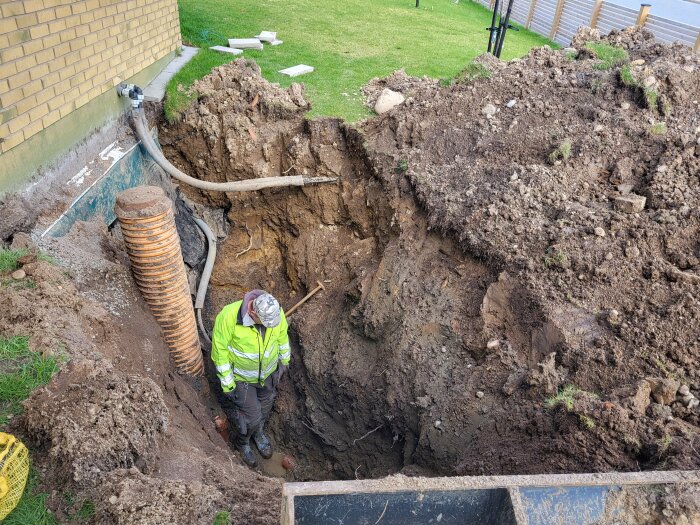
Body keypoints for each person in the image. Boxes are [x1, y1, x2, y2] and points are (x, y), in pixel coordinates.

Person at [211, 290, 290, 467]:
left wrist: (284, 361)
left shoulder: (274, 311)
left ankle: (259, 434)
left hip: (268, 375)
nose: (270, 327)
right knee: (250, 418)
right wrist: (228, 384)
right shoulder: (229, 316)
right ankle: (243, 443)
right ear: (252, 313)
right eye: (266, 324)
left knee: (265, 408)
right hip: (242, 379)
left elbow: (282, 337)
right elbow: (219, 353)